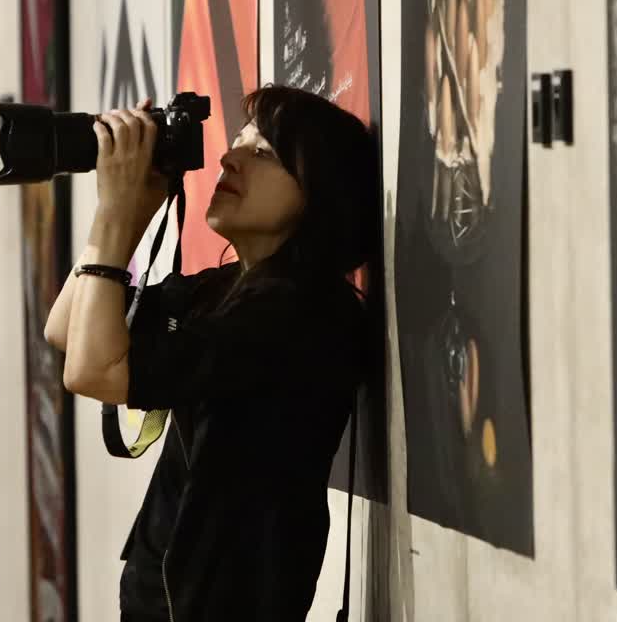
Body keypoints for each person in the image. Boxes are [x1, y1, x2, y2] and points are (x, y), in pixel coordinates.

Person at [44, 85, 380, 621]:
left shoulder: (300, 311)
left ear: (319, 192)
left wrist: (115, 213)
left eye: (263, 152)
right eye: (238, 142)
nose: (229, 158)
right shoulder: (226, 288)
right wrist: (130, 214)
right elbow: (66, 329)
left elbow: (92, 372)